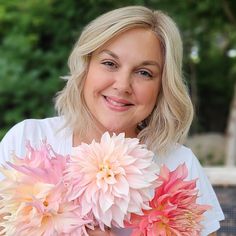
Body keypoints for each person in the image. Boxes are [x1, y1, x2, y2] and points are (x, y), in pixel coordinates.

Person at [0, 5, 224, 236]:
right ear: (85, 66)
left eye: (144, 72)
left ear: (162, 87)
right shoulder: (27, 140)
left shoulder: (179, 164)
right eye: (110, 63)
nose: (122, 85)